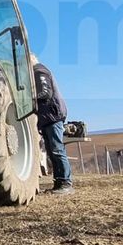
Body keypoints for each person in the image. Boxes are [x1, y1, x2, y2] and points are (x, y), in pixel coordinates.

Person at [31, 55, 73, 195]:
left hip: (52, 116)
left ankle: (66, 183)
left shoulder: (39, 71)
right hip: (48, 117)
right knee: (52, 151)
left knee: (57, 149)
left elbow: (45, 92)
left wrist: (30, 99)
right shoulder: (39, 71)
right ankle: (59, 182)